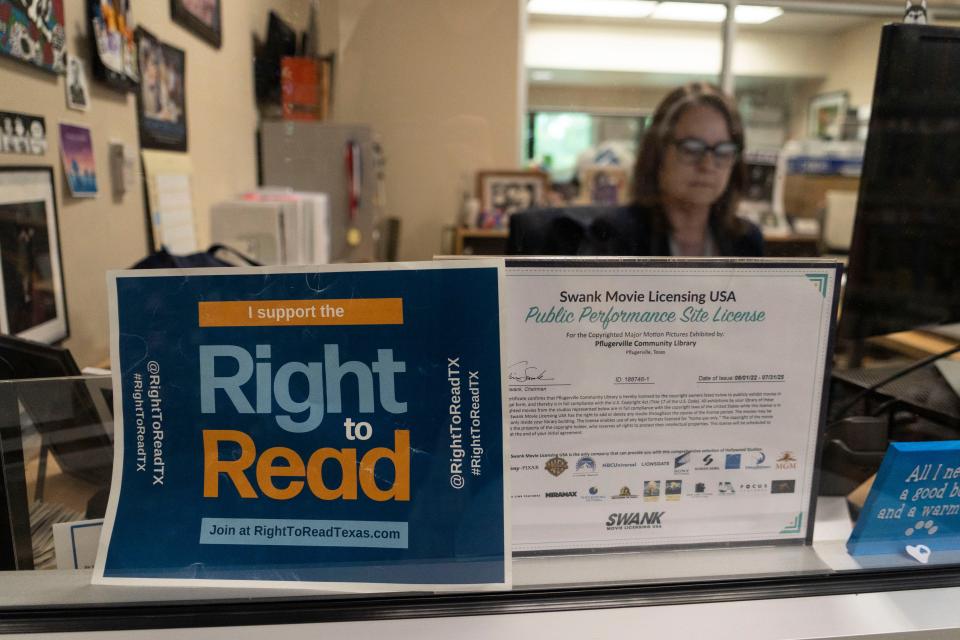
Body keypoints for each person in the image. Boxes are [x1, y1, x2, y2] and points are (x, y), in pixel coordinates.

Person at [508, 82, 763, 257]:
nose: (708, 165)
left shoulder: (747, 240)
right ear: (658, 153)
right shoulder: (612, 235)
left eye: (723, 151)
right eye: (691, 148)